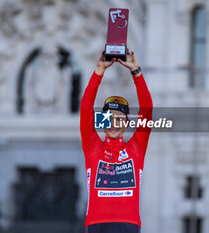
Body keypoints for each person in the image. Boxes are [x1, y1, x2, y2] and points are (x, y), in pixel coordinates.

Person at [80, 49, 153, 233]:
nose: (113, 123)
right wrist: (98, 72)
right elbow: (85, 109)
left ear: (127, 122)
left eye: (119, 118)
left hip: (127, 224)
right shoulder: (92, 146)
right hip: (97, 224)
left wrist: (136, 72)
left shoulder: (136, 147)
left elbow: (147, 110)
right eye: (108, 118)